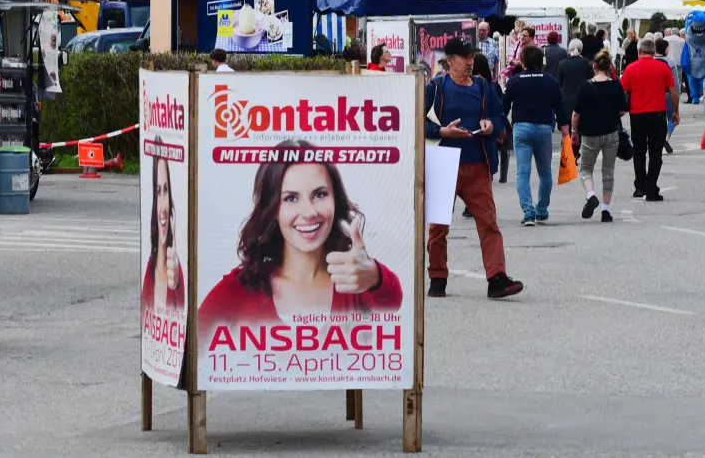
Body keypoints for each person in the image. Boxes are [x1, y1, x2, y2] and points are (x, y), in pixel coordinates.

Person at [197, 153, 402, 330]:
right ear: (272, 209)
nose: (309, 212)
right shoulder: (240, 288)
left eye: (320, 194)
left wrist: (375, 275)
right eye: (291, 198)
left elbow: (394, 299)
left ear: (335, 199)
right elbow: (192, 353)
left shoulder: (356, 280)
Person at [424, 39, 522, 299]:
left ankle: (497, 279)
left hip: (478, 163)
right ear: (449, 61)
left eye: (472, 57)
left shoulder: (484, 87)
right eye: (465, 57)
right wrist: (441, 131)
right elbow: (414, 119)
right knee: (438, 227)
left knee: (489, 223)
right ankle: (437, 277)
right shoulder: (435, 87)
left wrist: (491, 125)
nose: (470, 62)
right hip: (444, 162)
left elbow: (501, 119)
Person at [503, 45, 569, 226]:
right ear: (542, 62)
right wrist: (566, 133)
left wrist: (503, 127)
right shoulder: (551, 82)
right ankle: (541, 210)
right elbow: (560, 110)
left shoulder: (515, 81)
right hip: (543, 129)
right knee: (545, 172)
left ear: (522, 62)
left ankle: (528, 212)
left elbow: (504, 107)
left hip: (521, 127)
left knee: (523, 172)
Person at [620, 36, 677, 202]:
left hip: (637, 114)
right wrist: (676, 112)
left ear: (639, 51)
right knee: (655, 153)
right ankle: (652, 188)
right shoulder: (663, 67)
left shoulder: (630, 69)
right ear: (654, 51)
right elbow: (673, 92)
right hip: (658, 114)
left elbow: (622, 91)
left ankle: (640, 186)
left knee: (639, 152)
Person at [572, 52, 627, 222]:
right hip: (611, 132)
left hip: (590, 134)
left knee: (585, 169)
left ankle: (591, 195)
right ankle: (606, 209)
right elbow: (623, 110)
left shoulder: (585, 87)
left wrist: (574, 132)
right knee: (608, 172)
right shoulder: (616, 86)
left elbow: (576, 114)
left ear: (594, 66)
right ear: (610, 66)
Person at [142, 152, 184, 312]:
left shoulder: (177, 273)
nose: (163, 208)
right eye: (158, 192)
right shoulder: (149, 273)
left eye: (166, 190)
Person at [471, 53, 511, 185]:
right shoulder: (493, 85)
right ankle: (502, 176)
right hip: (489, 134)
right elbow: (500, 107)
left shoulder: (471, 86)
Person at [679, 12, 705, 105]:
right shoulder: (688, 43)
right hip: (693, 68)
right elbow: (685, 55)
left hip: (703, 67)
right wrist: (685, 64)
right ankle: (695, 97)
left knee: (704, 82)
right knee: (693, 82)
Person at [556, 39, 592, 120]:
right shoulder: (586, 62)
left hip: (567, 99)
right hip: (583, 99)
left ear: (569, 49)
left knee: (567, 128)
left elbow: (560, 83)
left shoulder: (562, 63)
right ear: (581, 50)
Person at [653, 39, 679, 153]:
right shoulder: (670, 62)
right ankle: (666, 137)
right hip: (668, 93)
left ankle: (657, 139)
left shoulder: (651, 61)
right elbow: (675, 83)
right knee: (673, 118)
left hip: (654, 94)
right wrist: (677, 95)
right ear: (666, 49)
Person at [664, 26, 686, 91]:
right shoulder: (682, 41)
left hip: (668, 61)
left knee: (667, 79)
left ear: (671, 32)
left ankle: (669, 93)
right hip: (679, 61)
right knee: (678, 80)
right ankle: (677, 95)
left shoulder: (666, 39)